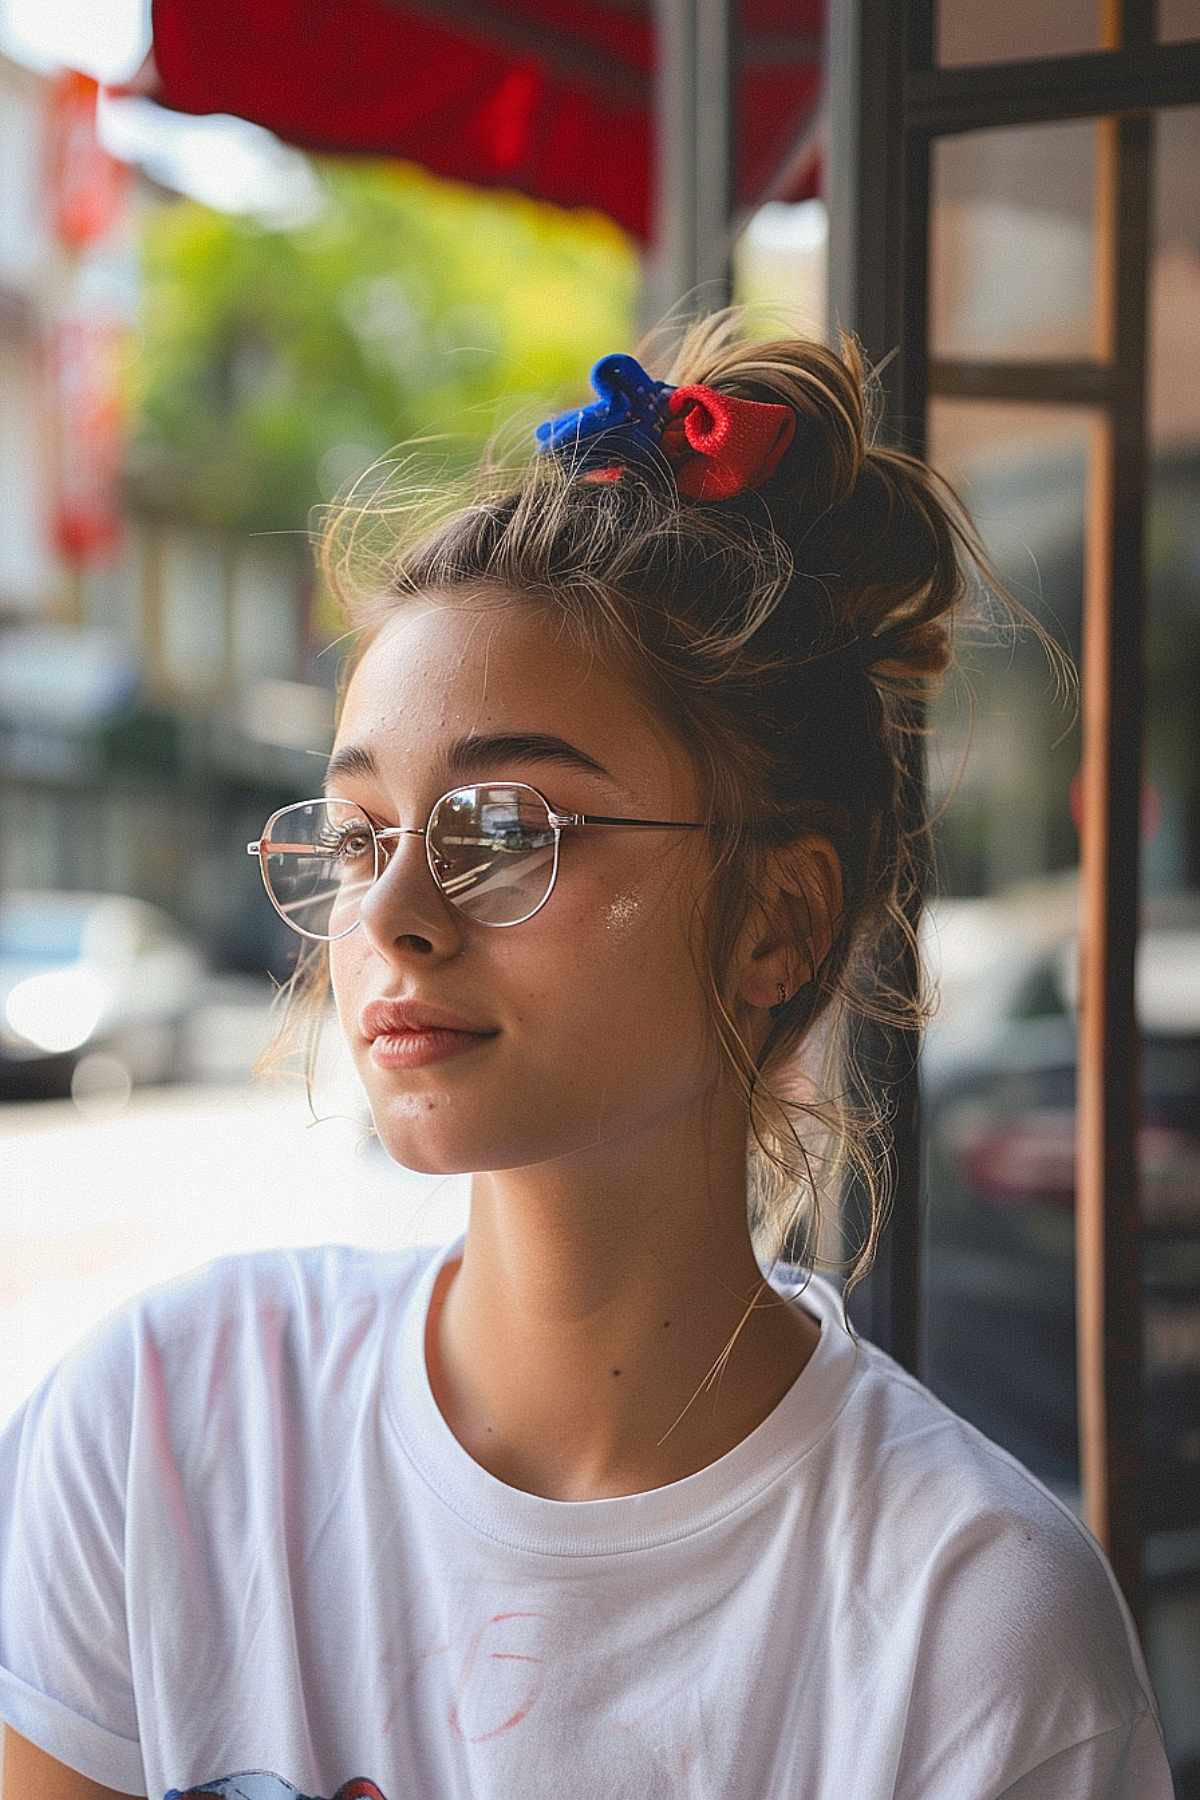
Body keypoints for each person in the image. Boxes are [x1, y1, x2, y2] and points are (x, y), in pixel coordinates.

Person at [0, 309, 1174, 1800]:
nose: (396, 914)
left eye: (505, 831)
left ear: (777, 917)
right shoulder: (165, 1429)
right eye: (362, 835)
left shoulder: (966, 1632)